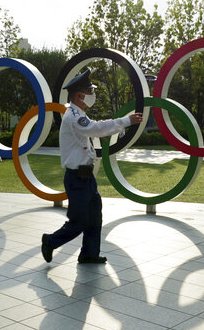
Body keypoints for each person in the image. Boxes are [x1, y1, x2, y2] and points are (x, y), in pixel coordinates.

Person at [41, 69, 142, 265]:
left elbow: (87, 135)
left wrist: (97, 134)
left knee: (95, 217)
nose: (92, 94)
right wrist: (126, 121)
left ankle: (89, 254)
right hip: (77, 179)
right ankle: (50, 241)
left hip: (86, 178)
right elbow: (94, 127)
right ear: (79, 95)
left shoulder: (77, 114)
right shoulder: (74, 116)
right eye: (90, 91)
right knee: (79, 221)